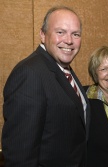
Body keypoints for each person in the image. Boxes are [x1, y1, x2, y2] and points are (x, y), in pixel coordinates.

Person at [2, 6, 90, 167]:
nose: (69, 40)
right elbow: (20, 154)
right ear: (43, 35)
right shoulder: (30, 74)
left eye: (75, 34)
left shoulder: (62, 69)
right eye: (60, 32)